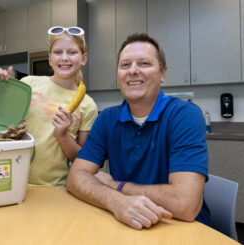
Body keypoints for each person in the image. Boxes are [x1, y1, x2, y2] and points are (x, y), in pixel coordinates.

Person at [66, 33, 210, 230]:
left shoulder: (185, 115)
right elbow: (75, 178)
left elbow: (185, 205)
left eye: (144, 63)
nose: (132, 71)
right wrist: (116, 201)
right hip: (127, 224)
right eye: (125, 65)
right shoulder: (107, 119)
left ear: (163, 73)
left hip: (179, 227)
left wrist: (117, 186)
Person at [0, 26, 98, 186]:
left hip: (56, 187)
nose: (64, 58)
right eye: (58, 52)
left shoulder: (88, 105)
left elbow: (82, 159)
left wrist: (62, 135)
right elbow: (1, 119)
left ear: (83, 58)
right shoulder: (28, 84)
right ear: (50, 58)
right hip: (13, 179)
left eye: (72, 52)